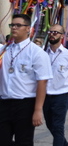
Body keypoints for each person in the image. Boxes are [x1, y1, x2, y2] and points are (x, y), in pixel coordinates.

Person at [0, 14, 53, 145]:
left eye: (18, 25)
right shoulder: (4, 50)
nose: (14, 28)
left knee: (23, 141)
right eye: (12, 25)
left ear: (28, 29)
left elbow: (42, 81)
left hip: (25, 104)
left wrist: (38, 110)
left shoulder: (37, 53)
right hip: (4, 103)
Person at [43, 24, 68, 146]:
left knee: (58, 126)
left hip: (61, 95)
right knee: (51, 125)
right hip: (45, 96)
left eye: (56, 32)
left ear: (62, 36)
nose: (52, 34)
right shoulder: (42, 54)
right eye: (50, 32)